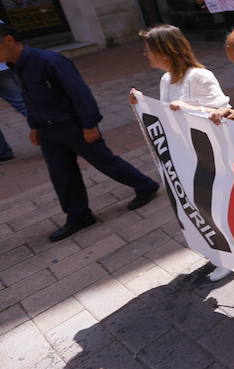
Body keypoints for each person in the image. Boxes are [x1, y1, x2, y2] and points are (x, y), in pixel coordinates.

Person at [0, 23, 159, 242]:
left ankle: (145, 185)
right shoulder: (16, 67)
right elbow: (30, 98)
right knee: (61, 175)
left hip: (72, 126)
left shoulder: (50, 61)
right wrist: (34, 126)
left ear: (9, 40)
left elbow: (80, 93)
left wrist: (89, 125)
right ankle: (79, 216)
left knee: (105, 161)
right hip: (48, 131)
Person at [128, 24, 232, 282]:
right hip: (185, 154)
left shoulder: (200, 77)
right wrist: (143, 104)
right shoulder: (166, 79)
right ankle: (217, 251)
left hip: (208, 155)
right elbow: (167, 117)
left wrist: (188, 107)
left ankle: (228, 258)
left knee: (213, 204)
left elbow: (224, 114)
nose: (145, 54)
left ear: (165, 51)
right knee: (197, 203)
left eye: (149, 49)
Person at [0, 19, 28, 162]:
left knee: (22, 102)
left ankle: (2, 152)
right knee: (21, 102)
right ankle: (56, 134)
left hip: (3, 64)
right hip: (3, 66)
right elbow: (6, 32)